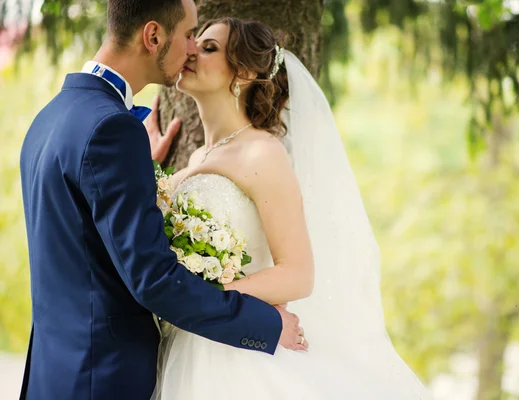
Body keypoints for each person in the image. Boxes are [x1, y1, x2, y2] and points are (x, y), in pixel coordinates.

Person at [18, 2, 305, 399]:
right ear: (153, 36)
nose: (191, 49)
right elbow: (154, 279)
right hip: (101, 377)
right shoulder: (112, 130)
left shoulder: (51, 117)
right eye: (190, 36)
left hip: (56, 373)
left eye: (205, 45)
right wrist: (265, 325)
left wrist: (143, 172)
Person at [153, 17, 431, 399]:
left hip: (235, 352)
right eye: (195, 42)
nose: (191, 51)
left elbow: (298, 275)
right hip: (190, 343)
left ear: (245, 72)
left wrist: (207, 299)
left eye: (210, 47)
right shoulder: (200, 154)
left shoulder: (262, 152)